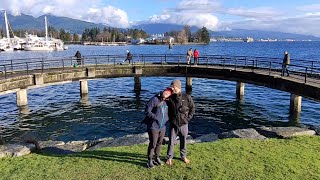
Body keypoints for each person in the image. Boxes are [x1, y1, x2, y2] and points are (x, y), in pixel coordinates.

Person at [166, 79, 195, 166]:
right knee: (171, 142)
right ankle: (169, 158)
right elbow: (161, 98)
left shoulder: (187, 97)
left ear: (177, 87)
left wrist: (187, 119)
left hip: (184, 124)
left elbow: (192, 108)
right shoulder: (170, 98)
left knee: (183, 141)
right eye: (171, 86)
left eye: (173, 86)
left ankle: (183, 156)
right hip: (173, 124)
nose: (172, 88)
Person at [144, 87, 173, 168]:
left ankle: (157, 157)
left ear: (169, 96)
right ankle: (149, 160)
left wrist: (167, 119)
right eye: (166, 91)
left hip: (163, 126)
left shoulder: (167, 102)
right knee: (153, 144)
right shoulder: (154, 99)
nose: (167, 93)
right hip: (153, 126)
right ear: (163, 91)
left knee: (159, 143)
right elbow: (147, 111)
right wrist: (156, 117)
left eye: (169, 93)